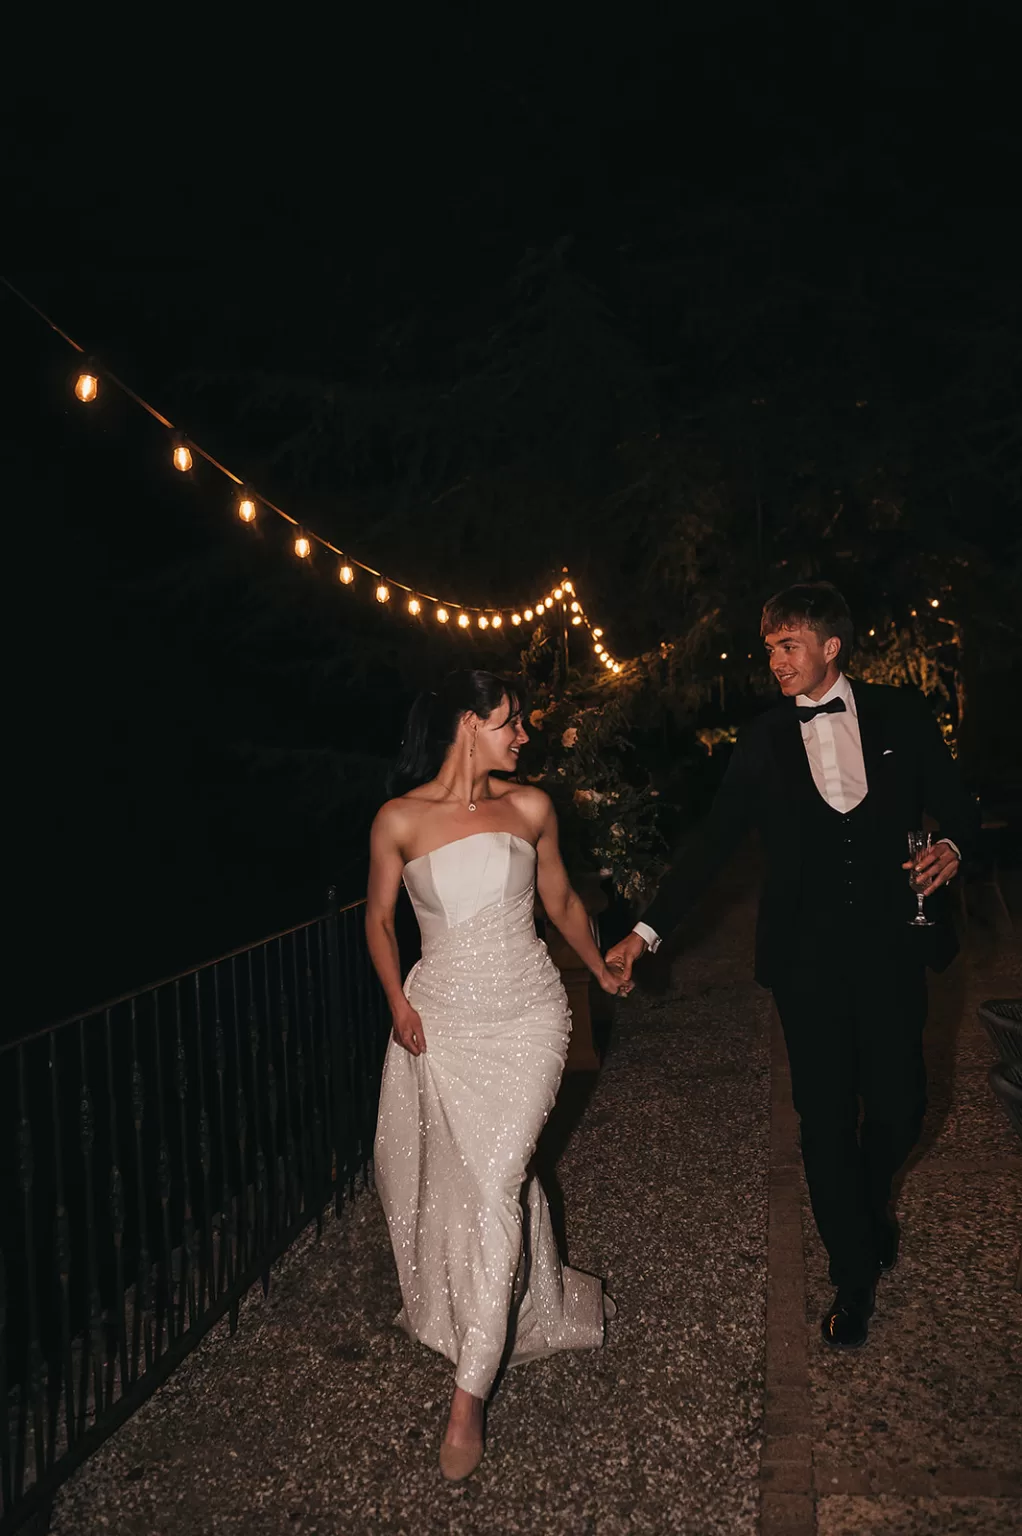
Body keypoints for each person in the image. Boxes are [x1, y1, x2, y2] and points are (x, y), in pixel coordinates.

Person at [606, 582, 975, 1349]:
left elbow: (959, 805)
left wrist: (953, 847)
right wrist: (645, 932)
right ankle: (852, 1274)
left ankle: (867, 1214)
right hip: (806, 963)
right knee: (826, 1118)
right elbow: (711, 845)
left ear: (831, 646)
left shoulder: (902, 715)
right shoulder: (764, 740)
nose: (771, 660)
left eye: (786, 644)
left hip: (893, 949)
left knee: (903, 1106)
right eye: (768, 646)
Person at [367, 669, 625, 1481]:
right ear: (469, 723)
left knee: (500, 1174)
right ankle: (519, 1296)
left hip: (529, 1017)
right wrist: (396, 1007)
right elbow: (378, 922)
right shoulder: (399, 819)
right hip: (440, 1022)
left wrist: (602, 967)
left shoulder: (533, 808)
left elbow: (562, 902)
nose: (524, 738)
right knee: (481, 1182)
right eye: (512, 723)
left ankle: (469, 1393)